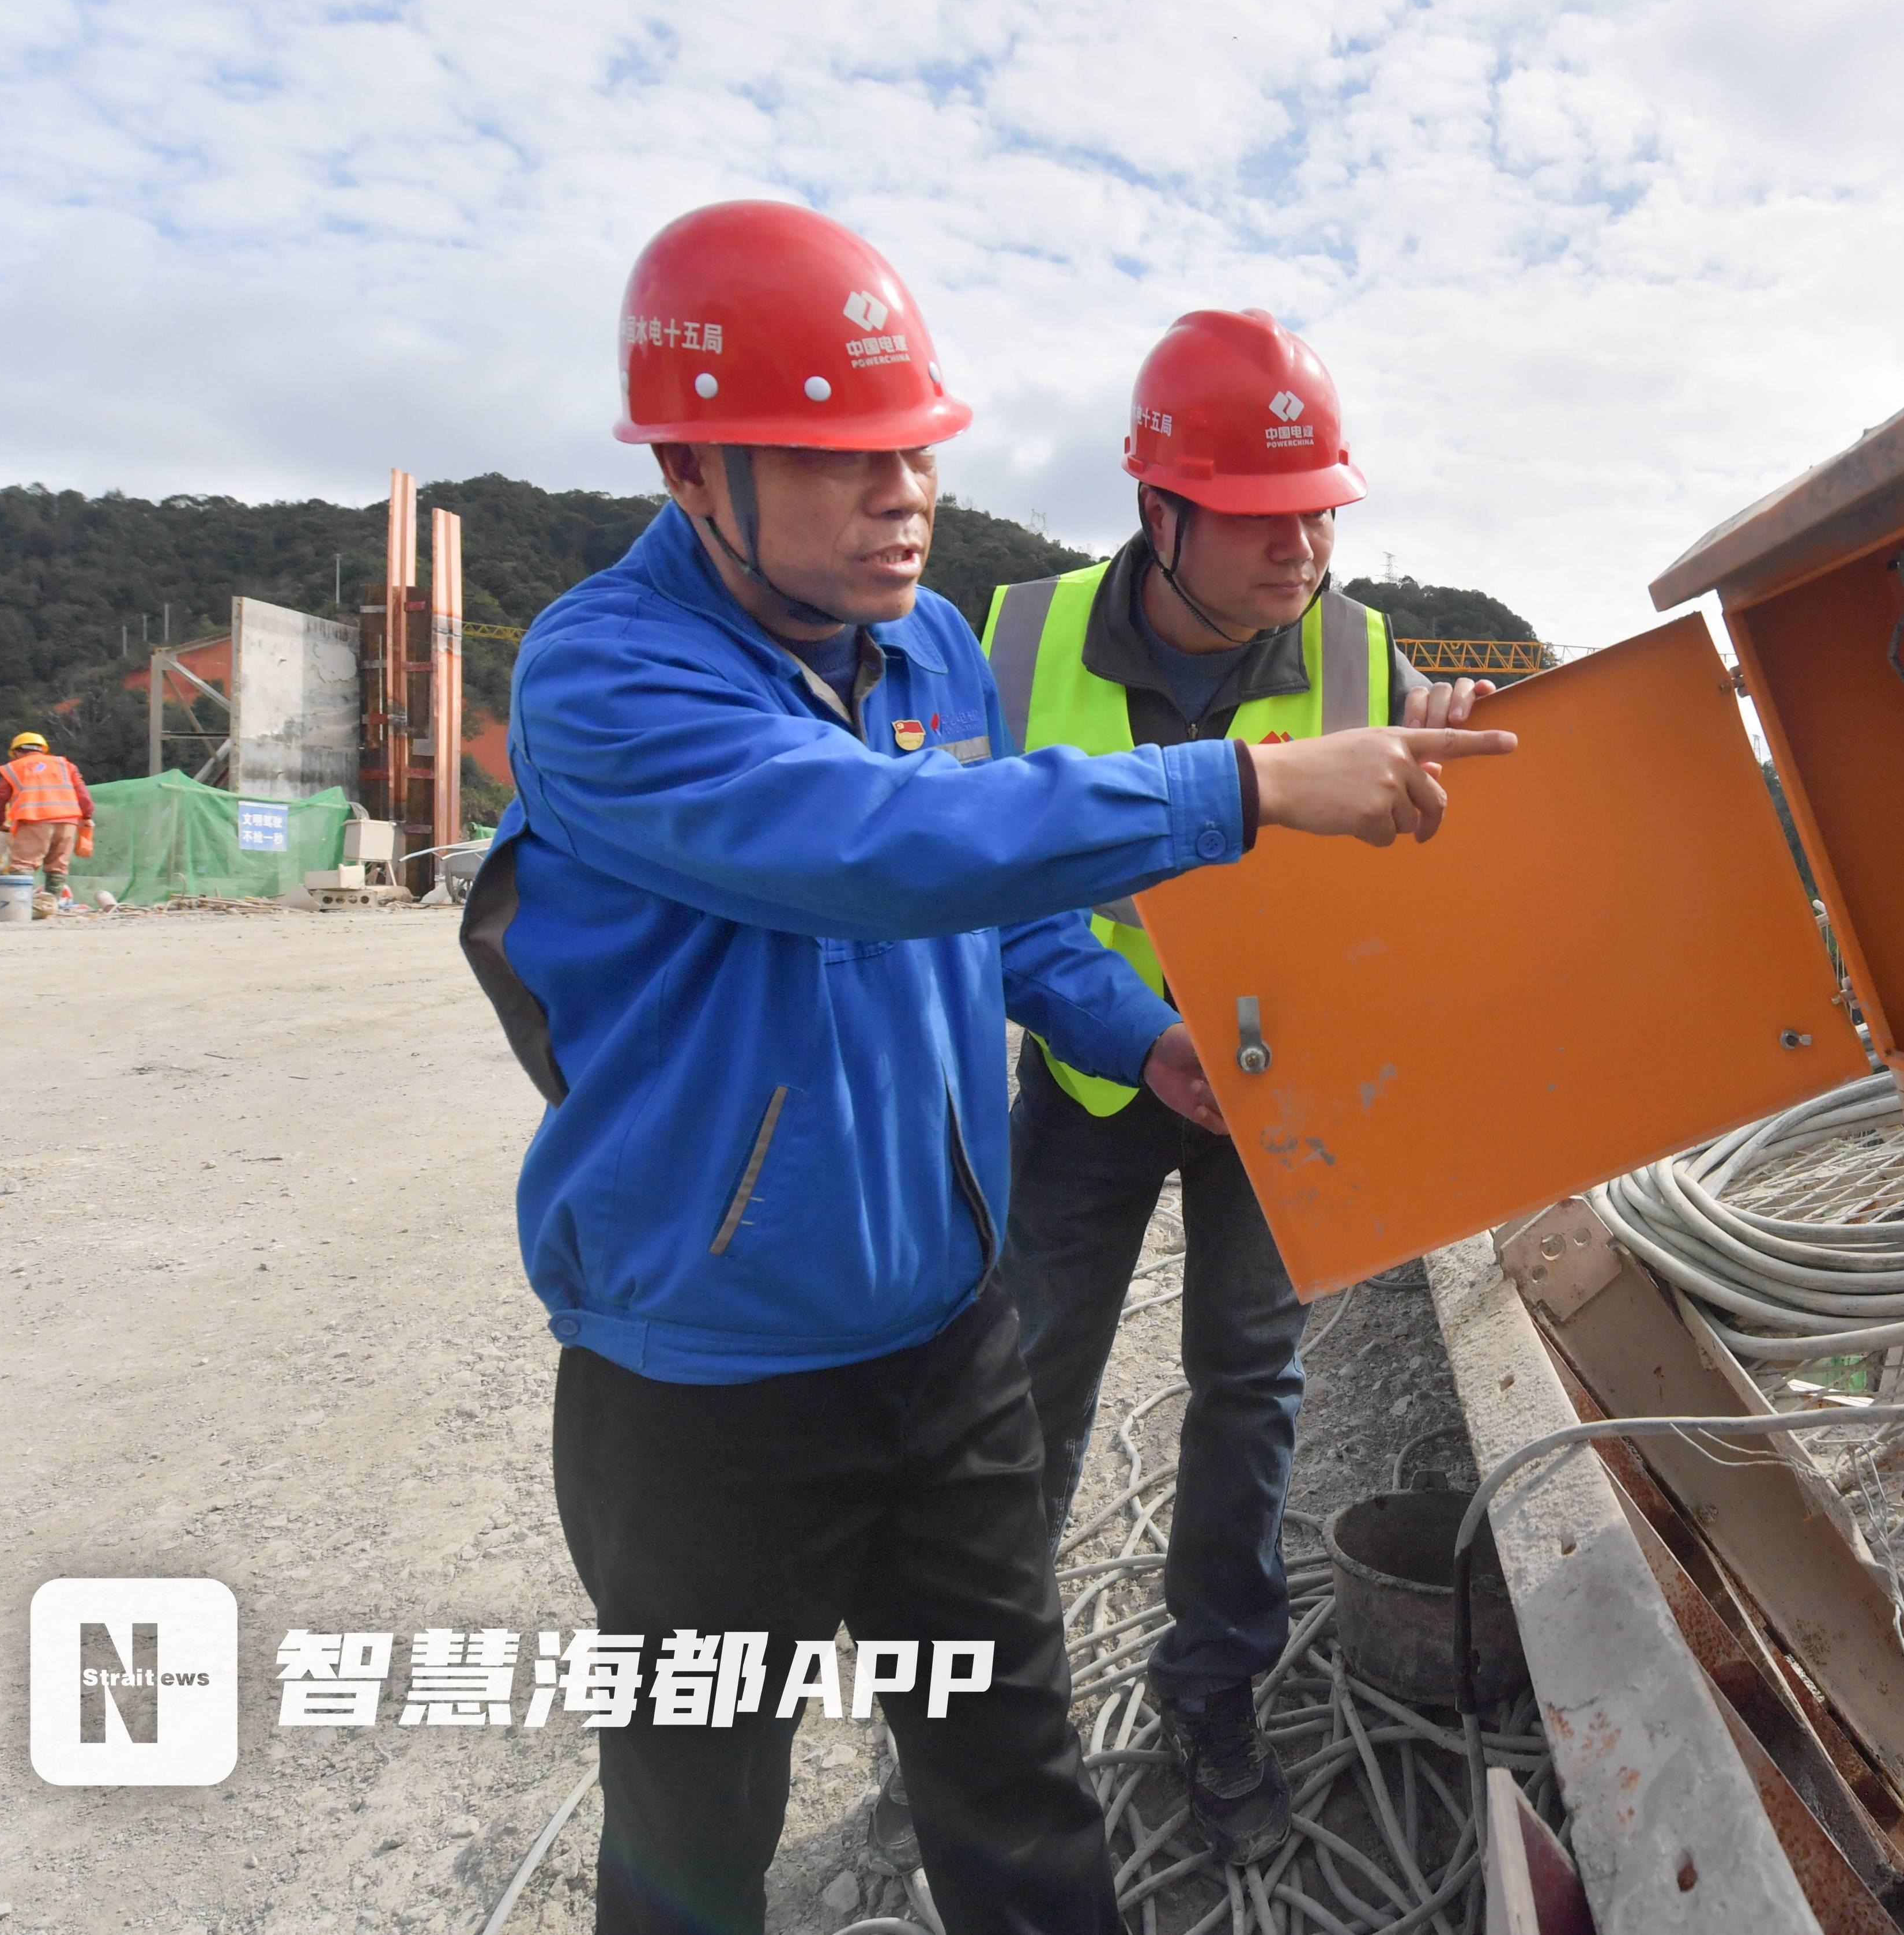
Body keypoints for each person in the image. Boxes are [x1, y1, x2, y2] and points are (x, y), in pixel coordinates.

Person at [458, 202, 1512, 1935]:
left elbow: (1000, 914)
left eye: (914, 454)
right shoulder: (605, 678)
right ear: (688, 467)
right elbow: (871, 843)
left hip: (945, 1343)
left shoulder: (931, 651)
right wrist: (1246, 791)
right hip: (707, 1380)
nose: (903, 497)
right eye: (837, 461)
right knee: (697, 1809)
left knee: (1011, 1778)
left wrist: (1138, 1038)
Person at [972, 310, 1492, 1866]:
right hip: (1097, 1061)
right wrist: (1139, 1033)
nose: (1303, 544)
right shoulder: (1008, 641)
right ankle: (991, 1718)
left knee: (1252, 1386)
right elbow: (991, 891)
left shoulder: (1358, 652)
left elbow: (1400, 886)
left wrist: (1442, 788)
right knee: (1023, 1388)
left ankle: (1213, 1701)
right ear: (1156, 509)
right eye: (1265, 517)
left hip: (1279, 1079)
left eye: (1322, 506)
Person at [0, 731, 94, 912]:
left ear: (17, 752)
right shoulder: (64, 765)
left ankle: (21, 907)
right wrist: (87, 815)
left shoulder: (14, 768)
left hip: (34, 820)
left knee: (23, 864)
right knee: (58, 865)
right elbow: (82, 793)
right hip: (68, 820)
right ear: (43, 750)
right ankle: (52, 905)